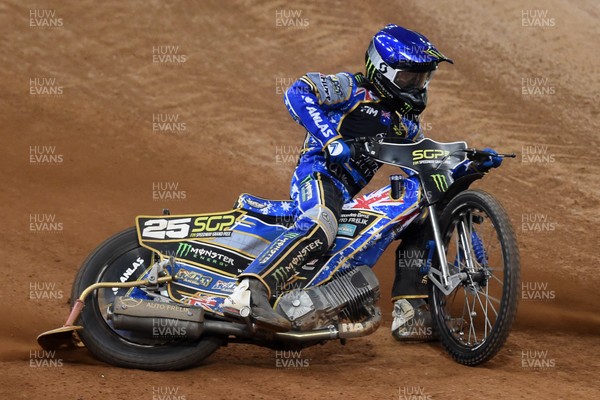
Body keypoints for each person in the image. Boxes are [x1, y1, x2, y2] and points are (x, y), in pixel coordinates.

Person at [223, 24, 502, 333]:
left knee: (423, 211)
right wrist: (331, 140)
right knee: (320, 224)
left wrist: (466, 162)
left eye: (423, 77)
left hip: (346, 195)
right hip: (318, 175)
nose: (418, 85)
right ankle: (249, 291)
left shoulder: (403, 124)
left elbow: (424, 163)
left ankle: (410, 310)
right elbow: (297, 92)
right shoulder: (351, 88)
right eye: (410, 76)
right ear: (384, 70)